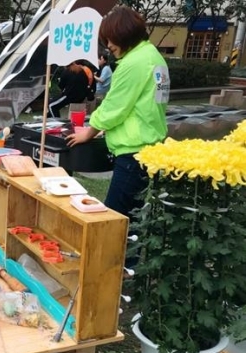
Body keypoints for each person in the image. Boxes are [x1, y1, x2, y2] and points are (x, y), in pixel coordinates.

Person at [66, 5, 169, 221]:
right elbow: (139, 105)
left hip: (133, 151)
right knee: (132, 217)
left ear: (124, 33)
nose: (108, 45)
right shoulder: (153, 56)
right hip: (147, 147)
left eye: (110, 39)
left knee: (114, 219)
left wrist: (89, 132)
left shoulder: (135, 62)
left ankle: (124, 246)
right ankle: (130, 244)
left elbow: (115, 107)